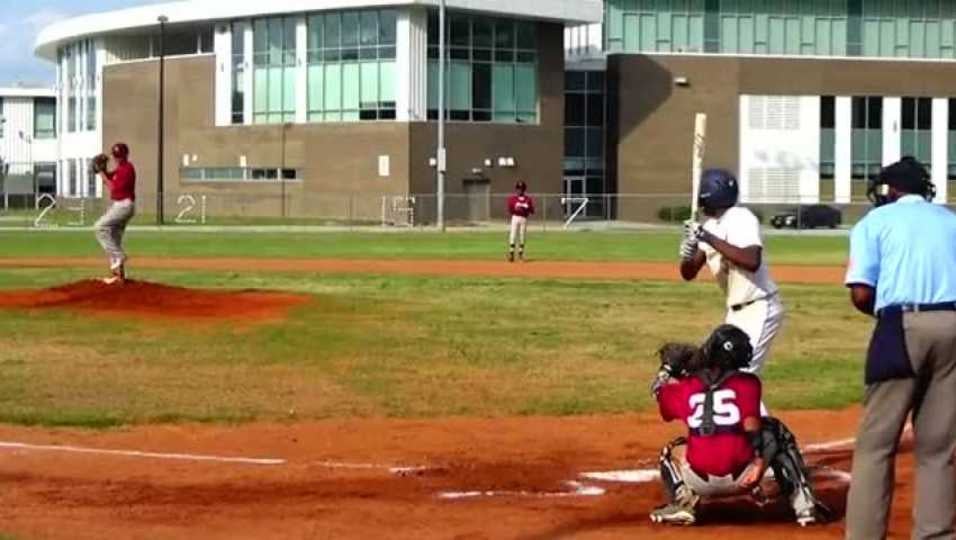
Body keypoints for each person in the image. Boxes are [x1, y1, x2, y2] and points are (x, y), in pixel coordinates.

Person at [844, 157, 956, 540]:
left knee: (876, 444)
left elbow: (861, 293)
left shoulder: (875, 221)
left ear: (891, 189)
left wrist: (886, 317)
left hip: (901, 324)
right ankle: (936, 534)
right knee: (939, 447)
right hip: (953, 325)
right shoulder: (951, 220)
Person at [650, 324, 829, 527]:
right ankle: (805, 508)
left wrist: (665, 374)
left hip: (700, 482)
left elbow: (661, 398)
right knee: (776, 430)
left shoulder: (687, 387)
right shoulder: (748, 383)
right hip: (744, 477)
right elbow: (752, 427)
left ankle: (684, 502)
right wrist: (759, 464)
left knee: (673, 450)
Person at [679, 169, 784, 381]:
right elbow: (689, 273)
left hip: (758, 306)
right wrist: (687, 254)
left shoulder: (741, 217)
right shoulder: (711, 226)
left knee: (738, 378)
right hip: (735, 312)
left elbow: (751, 261)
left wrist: (707, 237)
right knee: (720, 373)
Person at [93, 142, 136, 284]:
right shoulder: (120, 169)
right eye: (115, 155)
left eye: (118, 156)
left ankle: (120, 256)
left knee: (100, 227)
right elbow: (109, 177)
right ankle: (119, 276)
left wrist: (102, 174)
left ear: (125, 155)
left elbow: (113, 188)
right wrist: (103, 170)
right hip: (121, 205)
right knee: (114, 239)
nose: (117, 158)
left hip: (124, 205)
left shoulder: (127, 169)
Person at [506, 181, 534, 262]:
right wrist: (516, 208)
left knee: (522, 235)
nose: (520, 190)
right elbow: (510, 209)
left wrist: (527, 207)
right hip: (515, 217)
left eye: (521, 189)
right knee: (513, 234)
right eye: (518, 188)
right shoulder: (513, 199)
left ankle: (520, 254)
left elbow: (532, 211)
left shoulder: (528, 199)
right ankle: (511, 253)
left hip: (524, 218)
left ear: (524, 189)